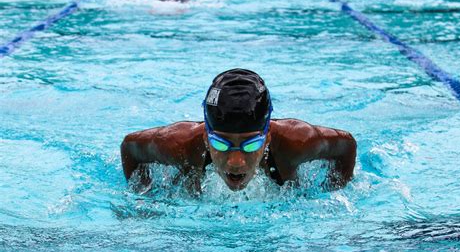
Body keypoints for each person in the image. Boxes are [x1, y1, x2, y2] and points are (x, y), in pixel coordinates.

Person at [121, 69, 357, 193]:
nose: (235, 162)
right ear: (205, 135)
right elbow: (130, 146)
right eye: (221, 144)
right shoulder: (176, 144)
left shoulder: (298, 142)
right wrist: (144, 196)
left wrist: (332, 191)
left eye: (250, 145)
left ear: (268, 137)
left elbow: (346, 145)